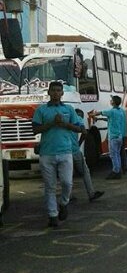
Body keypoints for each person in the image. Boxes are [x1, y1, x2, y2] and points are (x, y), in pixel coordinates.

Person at [32, 81, 82, 227]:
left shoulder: (69, 109)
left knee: (67, 183)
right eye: (53, 90)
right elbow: (35, 129)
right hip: (47, 153)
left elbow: (79, 128)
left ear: (62, 93)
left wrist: (65, 124)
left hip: (65, 151)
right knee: (50, 186)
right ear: (48, 92)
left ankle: (64, 203)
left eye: (58, 90)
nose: (55, 93)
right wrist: (52, 123)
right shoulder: (41, 110)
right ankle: (52, 215)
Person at [90, 95, 127, 180]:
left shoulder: (112, 111)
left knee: (113, 155)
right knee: (117, 154)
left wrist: (93, 114)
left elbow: (101, 112)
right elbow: (110, 119)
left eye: (111, 100)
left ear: (113, 102)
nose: (110, 101)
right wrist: (101, 119)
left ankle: (115, 171)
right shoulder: (120, 112)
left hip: (113, 137)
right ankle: (118, 170)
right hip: (120, 137)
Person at [72, 109, 104, 202]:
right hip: (75, 150)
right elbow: (85, 132)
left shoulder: (66, 120)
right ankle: (91, 193)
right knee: (85, 172)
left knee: (67, 175)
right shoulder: (77, 118)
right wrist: (79, 143)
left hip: (64, 151)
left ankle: (68, 197)